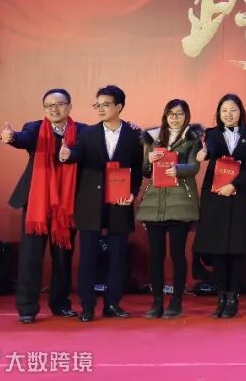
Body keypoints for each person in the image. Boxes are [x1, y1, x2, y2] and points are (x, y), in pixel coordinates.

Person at [59, 85, 144, 323]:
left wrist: (132, 192)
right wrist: (67, 155)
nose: (100, 109)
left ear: (119, 106)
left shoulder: (134, 135)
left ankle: (112, 304)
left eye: (106, 104)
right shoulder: (88, 133)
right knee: (87, 257)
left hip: (119, 200)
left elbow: (137, 170)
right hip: (90, 202)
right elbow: (77, 153)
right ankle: (87, 306)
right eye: (97, 104)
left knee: (117, 257)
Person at [0, 88, 86, 324]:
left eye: (59, 104)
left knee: (63, 257)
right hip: (37, 202)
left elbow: (87, 150)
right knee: (30, 256)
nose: (54, 109)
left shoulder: (82, 131)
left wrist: (72, 154)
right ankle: (27, 308)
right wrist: (12, 137)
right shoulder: (34, 128)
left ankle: (60, 304)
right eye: (49, 106)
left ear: (69, 106)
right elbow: (23, 139)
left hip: (66, 205)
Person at [192, 94, 246, 319]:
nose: (229, 114)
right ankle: (221, 297)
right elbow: (208, 151)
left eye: (233, 110)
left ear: (241, 112)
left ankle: (233, 298)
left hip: (239, 196)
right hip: (216, 197)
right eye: (224, 111)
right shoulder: (211, 134)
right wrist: (202, 153)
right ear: (218, 114)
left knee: (237, 250)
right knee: (218, 249)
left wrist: (234, 185)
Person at [138, 99, 202, 319]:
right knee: (156, 256)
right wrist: (149, 159)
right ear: (165, 116)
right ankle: (157, 302)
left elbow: (194, 166)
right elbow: (146, 171)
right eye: (171, 114)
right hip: (154, 203)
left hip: (180, 203)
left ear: (187, 116)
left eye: (180, 114)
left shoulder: (193, 138)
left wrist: (178, 169)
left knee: (177, 254)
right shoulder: (153, 138)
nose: (175, 118)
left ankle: (176, 301)